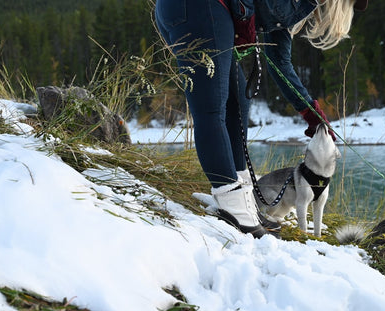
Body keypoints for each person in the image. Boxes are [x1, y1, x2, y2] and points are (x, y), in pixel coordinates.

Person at [154, 0, 367, 238]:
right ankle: (232, 206)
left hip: (209, 12)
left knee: (237, 105)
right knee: (211, 108)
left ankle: (243, 200)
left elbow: (280, 63)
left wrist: (311, 113)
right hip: (200, 8)